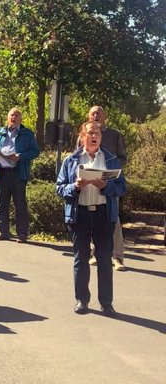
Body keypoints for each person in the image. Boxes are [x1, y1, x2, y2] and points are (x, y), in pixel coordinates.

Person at [57, 121, 126, 317]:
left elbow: (122, 188)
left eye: (97, 133)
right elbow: (60, 188)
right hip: (80, 214)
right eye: (90, 133)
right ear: (83, 137)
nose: (94, 136)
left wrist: (106, 187)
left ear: (101, 138)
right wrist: (75, 187)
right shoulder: (71, 160)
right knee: (81, 259)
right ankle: (82, 300)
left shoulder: (111, 159)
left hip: (104, 215)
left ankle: (106, 303)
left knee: (104, 260)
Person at [76, 106, 128, 270]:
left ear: (104, 116)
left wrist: (110, 170)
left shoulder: (115, 134)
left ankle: (118, 257)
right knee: (90, 217)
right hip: (87, 184)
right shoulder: (83, 135)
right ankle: (94, 254)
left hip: (109, 183)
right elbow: (76, 157)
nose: (96, 115)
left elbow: (123, 158)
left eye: (99, 113)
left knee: (114, 219)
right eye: (93, 113)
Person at [0, 108, 39, 242]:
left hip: (18, 172)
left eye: (17, 115)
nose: (14, 117)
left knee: (20, 205)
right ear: (7, 117)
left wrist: (20, 156)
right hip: (2, 171)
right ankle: (2, 232)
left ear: (21, 119)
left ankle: (22, 234)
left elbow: (35, 151)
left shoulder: (27, 134)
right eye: (11, 115)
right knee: (1, 204)